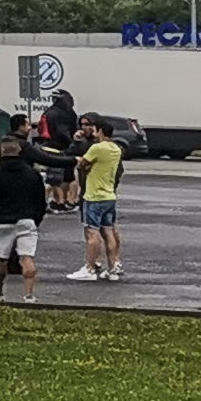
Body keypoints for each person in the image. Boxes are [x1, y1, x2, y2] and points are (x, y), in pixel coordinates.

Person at [0, 139, 46, 303]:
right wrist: (35, 219)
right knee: (27, 258)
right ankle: (29, 295)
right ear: (20, 153)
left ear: (2, 153)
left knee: (1, 259)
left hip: (3, 220)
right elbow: (41, 201)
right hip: (27, 220)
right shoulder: (32, 174)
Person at [68, 115, 126, 282]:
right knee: (108, 231)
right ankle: (113, 266)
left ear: (100, 131)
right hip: (109, 194)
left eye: (94, 129)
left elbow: (81, 164)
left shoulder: (97, 148)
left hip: (94, 195)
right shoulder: (116, 149)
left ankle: (90, 267)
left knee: (91, 232)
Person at [39, 89, 80, 211]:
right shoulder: (70, 113)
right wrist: (72, 143)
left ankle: (60, 201)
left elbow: (55, 131)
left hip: (52, 147)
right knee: (67, 176)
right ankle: (69, 200)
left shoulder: (51, 113)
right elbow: (67, 131)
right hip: (65, 148)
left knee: (55, 178)